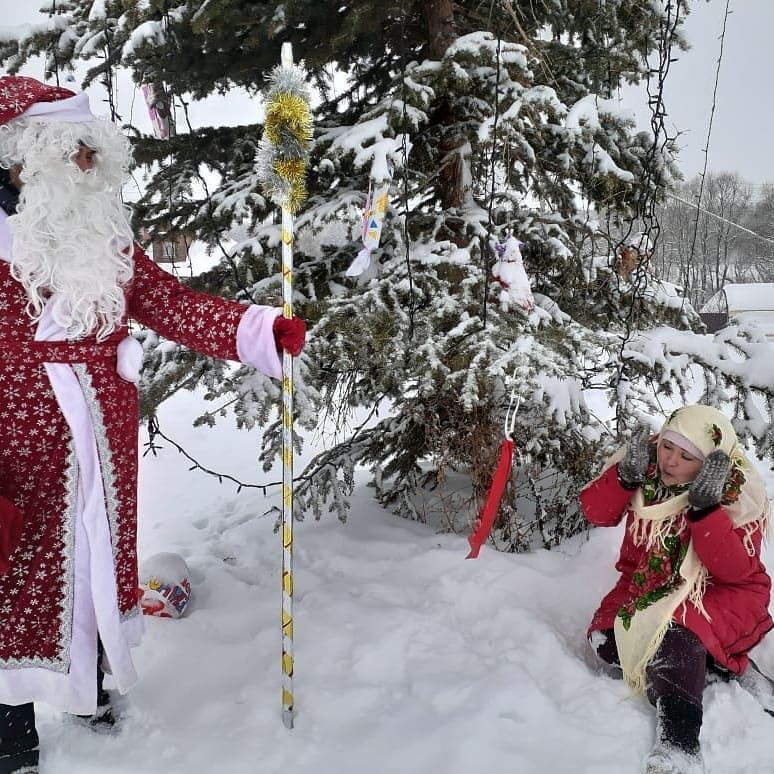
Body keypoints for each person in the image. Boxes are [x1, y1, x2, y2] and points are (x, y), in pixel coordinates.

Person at [0, 75, 306, 773]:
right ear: (23, 156)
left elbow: (166, 299)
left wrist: (257, 332)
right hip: (15, 444)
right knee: (12, 579)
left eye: (91, 150)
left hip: (100, 444)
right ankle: (8, 727)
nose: (87, 164)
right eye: (73, 150)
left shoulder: (98, 233)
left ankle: (94, 692)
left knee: (93, 566)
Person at [581, 404, 773, 774]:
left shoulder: (735, 491)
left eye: (687, 456)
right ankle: (717, 664)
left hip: (722, 589)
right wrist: (623, 477)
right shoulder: (647, 467)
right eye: (668, 446)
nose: (670, 461)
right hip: (651, 580)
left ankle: (679, 742)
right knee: (606, 641)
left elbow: (733, 571)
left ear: (708, 463)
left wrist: (705, 512)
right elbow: (597, 514)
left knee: (675, 634)